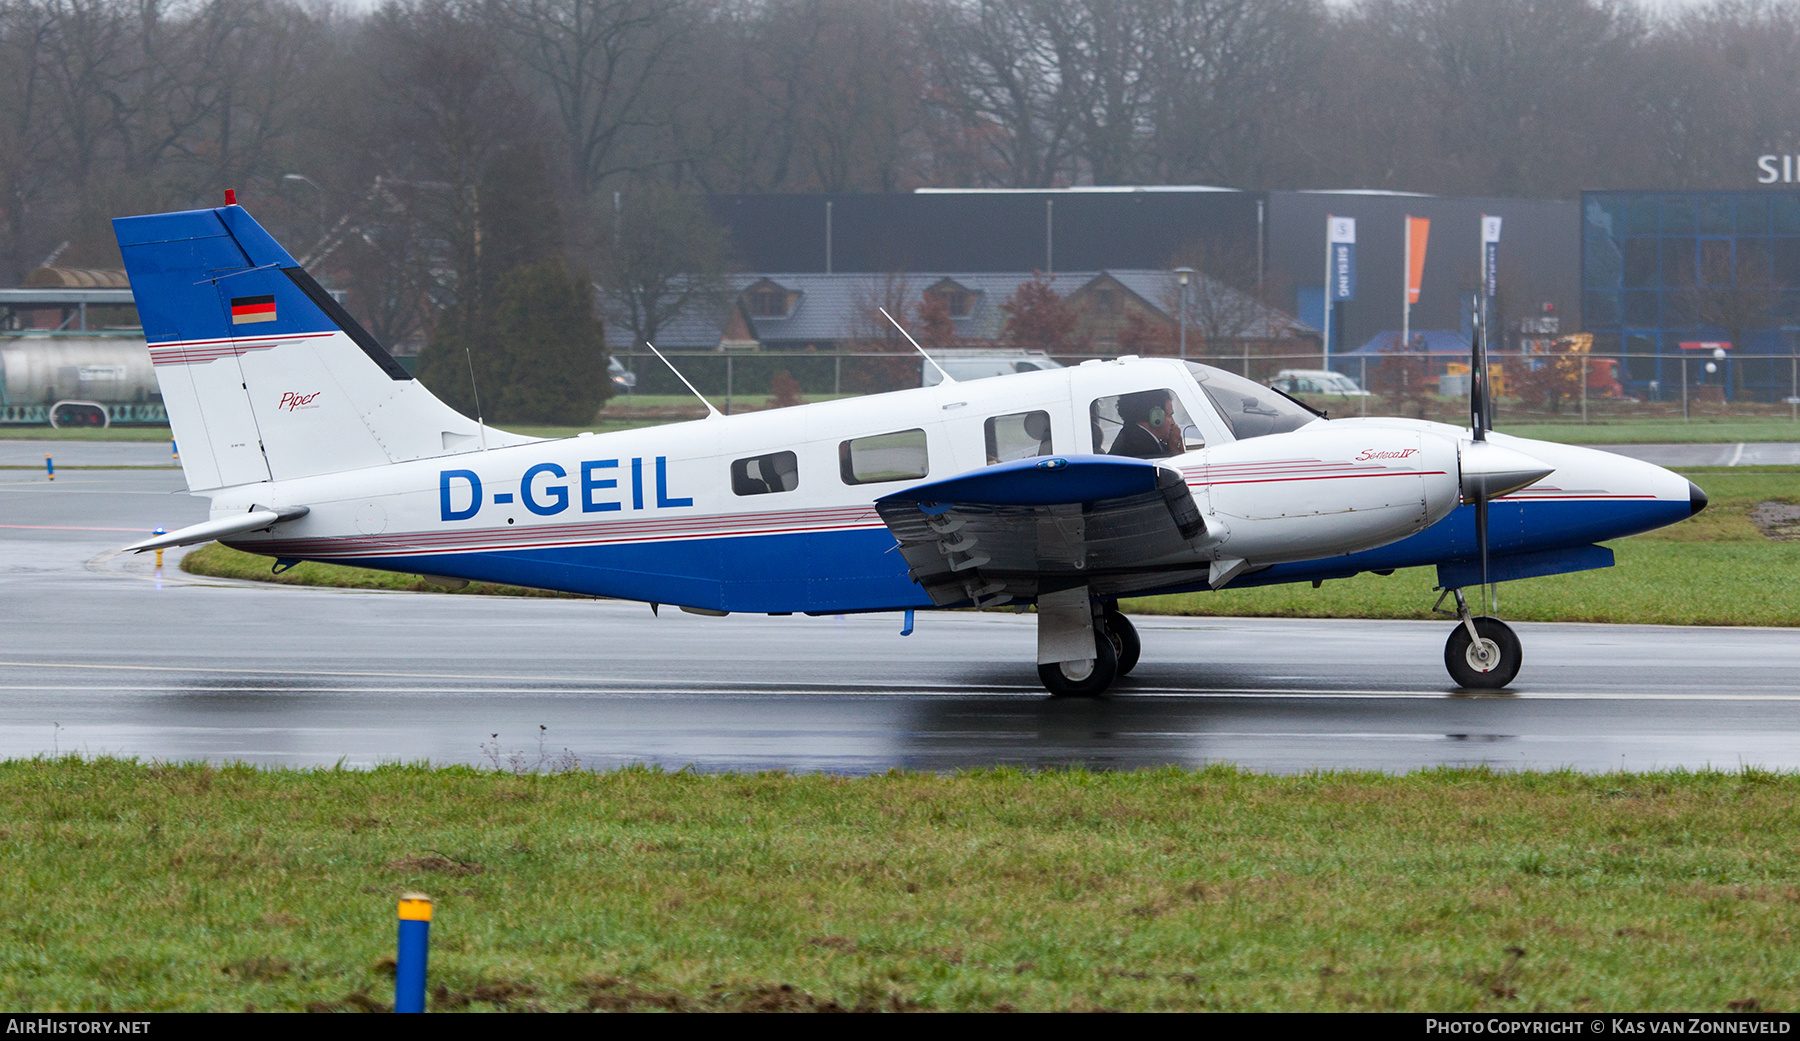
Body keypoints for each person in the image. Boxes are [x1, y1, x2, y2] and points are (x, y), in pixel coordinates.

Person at [1109, 389, 1179, 459]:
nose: (1173, 423)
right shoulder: (1144, 448)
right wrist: (1174, 447)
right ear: (1156, 418)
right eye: (1169, 416)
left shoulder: (1130, 435)